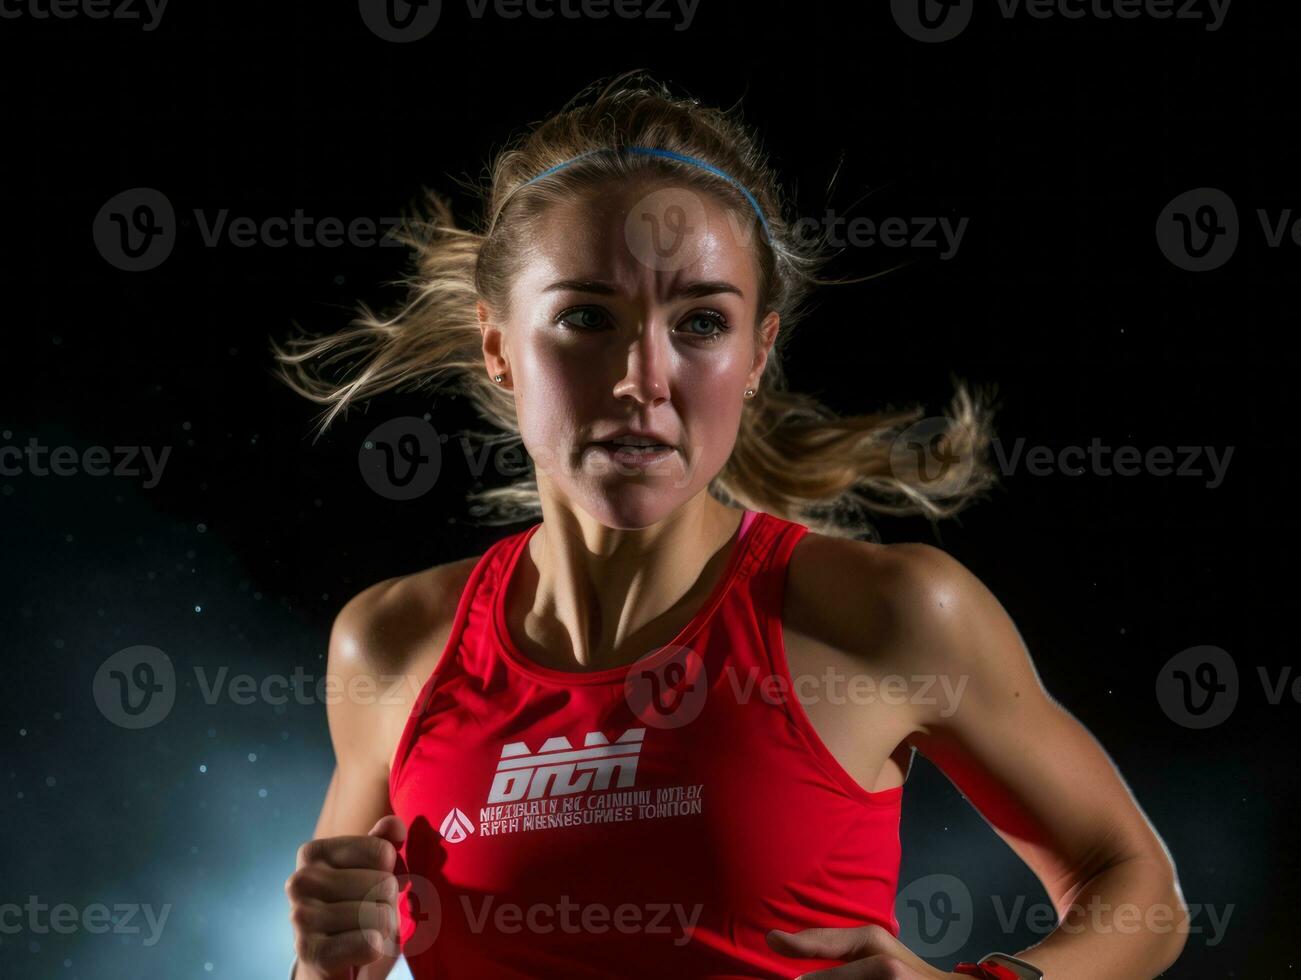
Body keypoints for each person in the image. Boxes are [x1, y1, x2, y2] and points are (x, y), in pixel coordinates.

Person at [274, 71, 1188, 980]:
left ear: (758, 354)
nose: (644, 378)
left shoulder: (892, 614)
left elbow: (1135, 887)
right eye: (587, 317)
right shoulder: (390, 647)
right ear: (497, 345)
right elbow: (335, 964)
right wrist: (327, 973)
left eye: (702, 321)